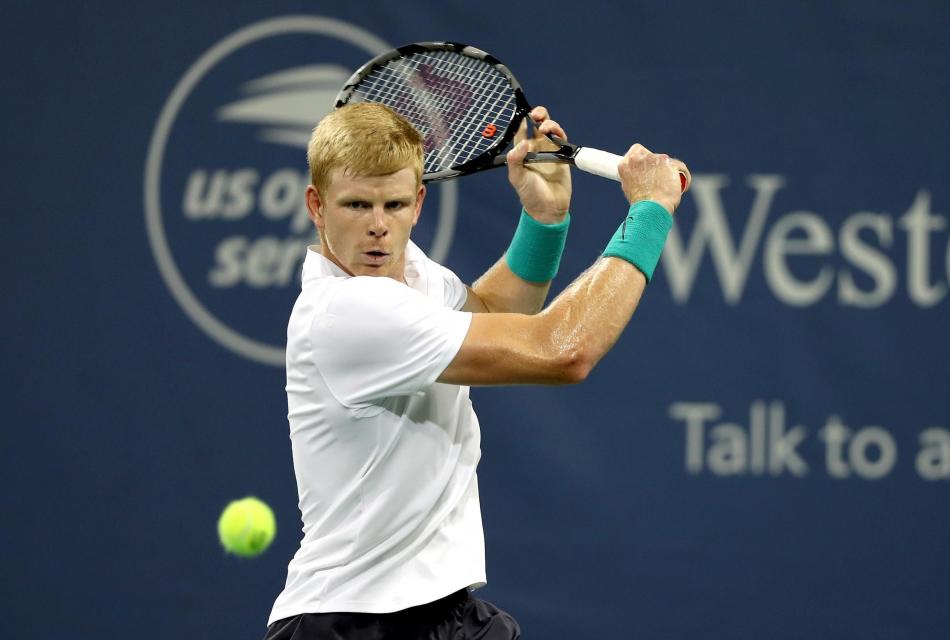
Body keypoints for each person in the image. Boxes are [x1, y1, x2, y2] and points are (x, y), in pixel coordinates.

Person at [265, 102, 691, 640]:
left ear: (419, 203)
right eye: (356, 205)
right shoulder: (344, 313)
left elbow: (490, 315)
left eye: (394, 204)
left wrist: (545, 220)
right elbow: (564, 351)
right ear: (316, 205)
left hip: (445, 612)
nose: (378, 226)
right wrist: (650, 210)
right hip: (350, 622)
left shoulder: (411, 273)